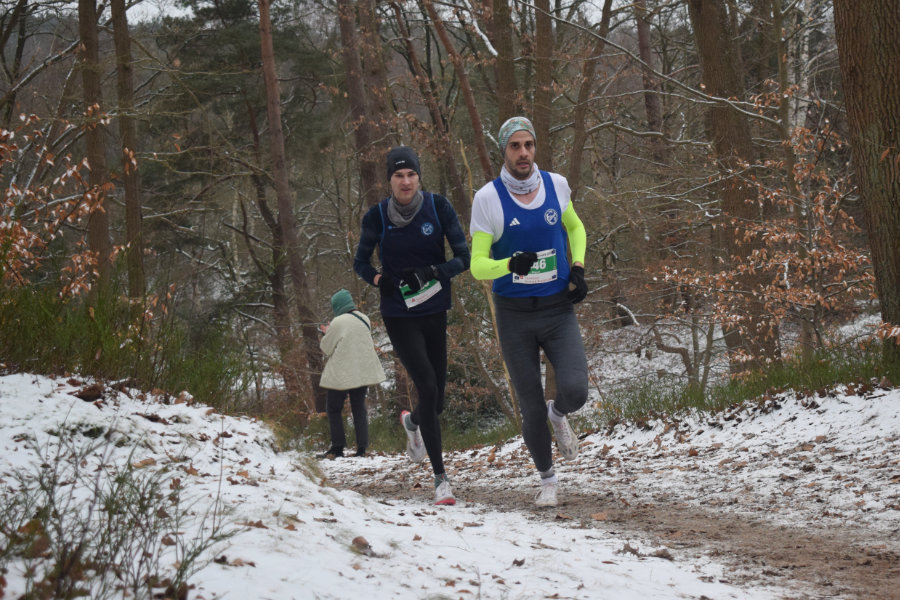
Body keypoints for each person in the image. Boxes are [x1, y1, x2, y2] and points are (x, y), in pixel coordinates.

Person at [469, 117, 589, 508]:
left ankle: (561, 414)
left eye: (529, 145)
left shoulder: (555, 185)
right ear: (503, 151)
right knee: (530, 404)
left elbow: (576, 228)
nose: (523, 153)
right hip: (514, 315)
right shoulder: (488, 199)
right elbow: (476, 264)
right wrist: (508, 265)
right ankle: (548, 479)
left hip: (557, 309)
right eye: (515, 146)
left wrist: (579, 267)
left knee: (575, 389)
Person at [354, 145, 470, 506]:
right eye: (398, 175)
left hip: (434, 309)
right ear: (389, 180)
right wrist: (378, 280)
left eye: (411, 174)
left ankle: (413, 422)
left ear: (419, 177)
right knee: (426, 384)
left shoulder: (438, 207)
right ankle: (441, 480)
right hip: (399, 314)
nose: (405, 181)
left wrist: (437, 271)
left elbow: (463, 256)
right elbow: (360, 261)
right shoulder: (376, 217)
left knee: (436, 400)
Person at [317, 289, 386, 459]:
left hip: (342, 374)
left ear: (337, 306)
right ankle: (362, 448)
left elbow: (326, 348)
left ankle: (338, 447)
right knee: (358, 408)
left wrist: (326, 331)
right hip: (362, 371)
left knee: (333, 408)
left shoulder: (338, 322)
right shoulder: (364, 318)